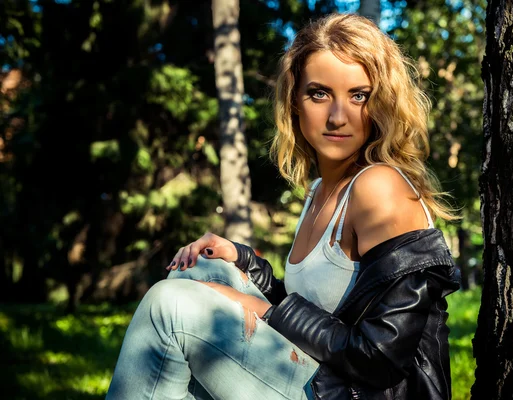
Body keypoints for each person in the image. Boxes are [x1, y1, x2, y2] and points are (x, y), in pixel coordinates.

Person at [106, 13, 460, 400]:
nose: (338, 116)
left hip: (356, 391)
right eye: (319, 93)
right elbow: (321, 310)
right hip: (324, 378)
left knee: (169, 307)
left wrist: (262, 310)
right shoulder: (321, 189)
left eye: (358, 95)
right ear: (295, 101)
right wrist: (243, 262)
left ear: (380, 104)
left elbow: (379, 356)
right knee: (203, 268)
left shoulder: (379, 188)